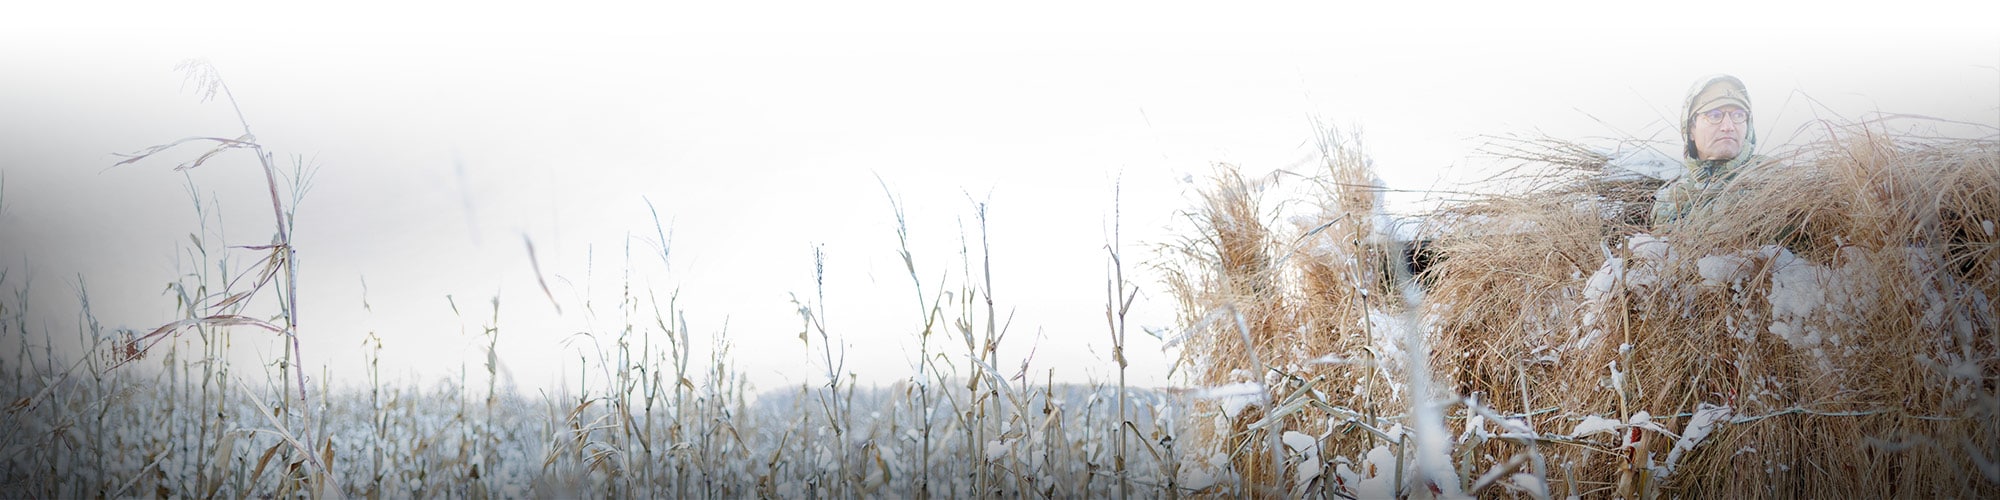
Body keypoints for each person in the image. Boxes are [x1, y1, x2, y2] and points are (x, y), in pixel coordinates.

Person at [1652, 75, 1761, 226]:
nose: (1728, 126)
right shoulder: (1672, 199)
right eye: (1714, 115)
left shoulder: (1775, 181)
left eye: (1738, 115)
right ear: (1691, 129)